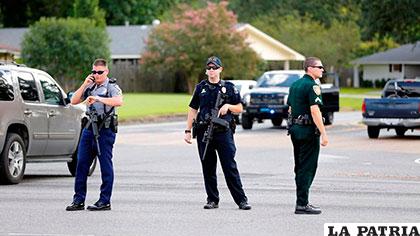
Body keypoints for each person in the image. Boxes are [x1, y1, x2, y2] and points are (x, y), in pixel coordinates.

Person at [184, 56, 251, 210]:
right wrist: (188, 130)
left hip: (223, 132)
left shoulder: (229, 87)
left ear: (220, 69)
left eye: (214, 68)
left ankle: (241, 200)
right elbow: (193, 109)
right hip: (204, 131)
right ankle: (212, 199)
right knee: (208, 167)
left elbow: (240, 108)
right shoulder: (201, 87)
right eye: (209, 68)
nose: (211, 71)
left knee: (229, 166)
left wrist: (228, 106)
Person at [66, 58, 123, 211]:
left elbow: (119, 101)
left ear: (106, 72)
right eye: (94, 72)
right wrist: (85, 84)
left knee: (105, 165)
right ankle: (78, 200)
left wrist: (98, 98)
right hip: (89, 128)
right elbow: (73, 100)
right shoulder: (90, 86)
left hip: (105, 129)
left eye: (99, 72)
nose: (96, 75)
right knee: (82, 164)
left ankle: (105, 201)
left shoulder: (111, 86)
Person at [287, 57, 328, 214]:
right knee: (308, 167)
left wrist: (293, 126)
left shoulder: (295, 85)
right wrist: (324, 133)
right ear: (310, 68)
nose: (322, 70)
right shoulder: (313, 86)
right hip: (308, 131)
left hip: (296, 130)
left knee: (299, 166)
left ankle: (301, 201)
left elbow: (290, 108)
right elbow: (315, 110)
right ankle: (302, 203)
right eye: (319, 67)